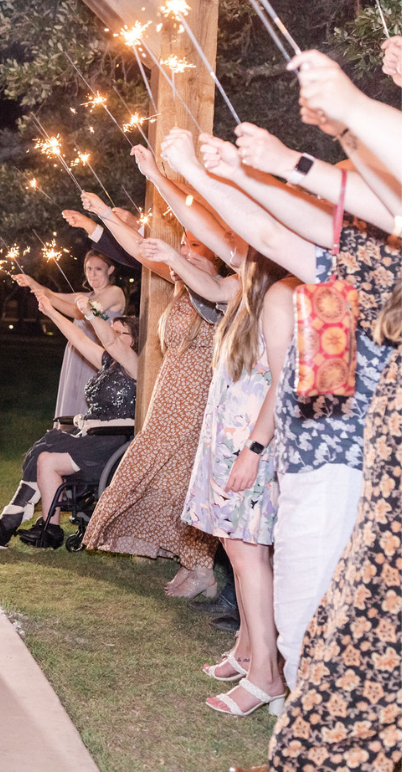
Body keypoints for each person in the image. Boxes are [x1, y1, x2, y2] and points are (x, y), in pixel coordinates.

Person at [162, 126, 402, 688]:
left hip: (347, 463)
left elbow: (273, 227)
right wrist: (209, 172)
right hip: (308, 456)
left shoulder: (377, 271)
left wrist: (284, 161)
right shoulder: (338, 269)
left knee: (316, 621)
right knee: (304, 620)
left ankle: (314, 711)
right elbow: (266, 228)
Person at [153, 239, 296, 717]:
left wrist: (254, 450)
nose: (229, 242)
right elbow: (210, 280)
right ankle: (248, 650)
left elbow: (283, 382)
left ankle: (267, 675)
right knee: (238, 551)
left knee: (248, 554)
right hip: (229, 439)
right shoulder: (246, 289)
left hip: (251, 443)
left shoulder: (279, 295)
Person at [79, 191, 222, 598]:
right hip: (168, 397)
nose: (185, 251)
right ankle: (191, 563)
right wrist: (105, 215)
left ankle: (202, 569)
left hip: (195, 399)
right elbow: (140, 250)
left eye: (196, 245)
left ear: (216, 251)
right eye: (184, 243)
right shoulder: (181, 283)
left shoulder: (217, 289)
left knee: (182, 480)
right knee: (160, 475)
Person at [0, 301, 139, 550]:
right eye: (112, 329)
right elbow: (78, 338)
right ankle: (41, 526)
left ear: (134, 340)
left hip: (109, 443)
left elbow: (109, 341)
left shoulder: (135, 365)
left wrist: (90, 314)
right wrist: (50, 311)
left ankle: (27, 525)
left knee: (47, 458)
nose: (113, 334)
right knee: (43, 453)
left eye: (122, 332)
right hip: (91, 437)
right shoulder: (108, 362)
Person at [14, 249, 125, 419]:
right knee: (72, 402)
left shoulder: (114, 292)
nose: (92, 274)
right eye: (89, 269)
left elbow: (80, 313)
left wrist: (51, 301)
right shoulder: (84, 296)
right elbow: (50, 293)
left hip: (97, 357)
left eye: (98, 269)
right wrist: (31, 282)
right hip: (76, 356)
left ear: (110, 270)